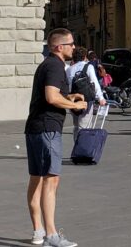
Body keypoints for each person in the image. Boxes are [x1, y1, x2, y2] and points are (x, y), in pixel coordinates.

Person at [25, 28, 86, 247]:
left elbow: (48, 95)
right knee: (51, 180)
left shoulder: (46, 65)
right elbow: (51, 97)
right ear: (59, 47)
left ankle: (38, 231)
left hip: (35, 127)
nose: (74, 47)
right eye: (71, 44)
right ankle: (51, 235)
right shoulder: (56, 66)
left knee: (36, 179)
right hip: (48, 128)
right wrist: (75, 104)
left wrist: (68, 96)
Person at [67, 48, 106, 139]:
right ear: (84, 57)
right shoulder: (88, 67)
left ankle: (77, 146)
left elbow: (68, 86)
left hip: (73, 100)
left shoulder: (69, 69)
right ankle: (83, 149)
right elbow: (94, 83)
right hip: (86, 100)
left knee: (76, 126)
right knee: (84, 126)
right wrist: (100, 98)